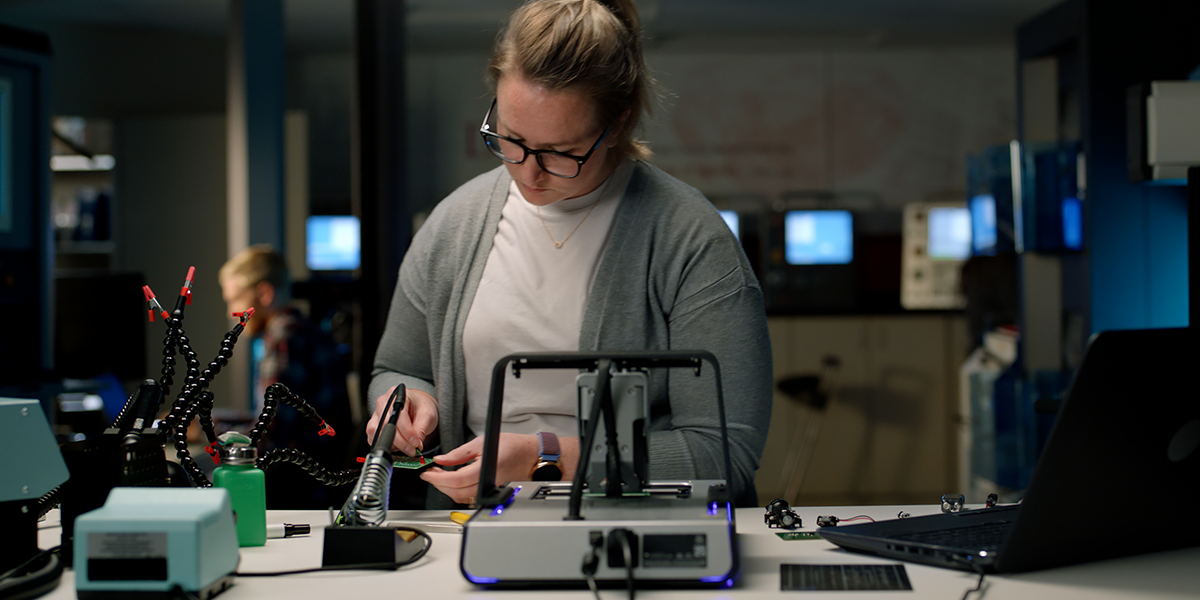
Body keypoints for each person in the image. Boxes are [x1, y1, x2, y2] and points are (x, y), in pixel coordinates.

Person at [366, 0, 772, 509]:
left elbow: (724, 453)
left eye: (560, 152)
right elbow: (398, 368)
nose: (528, 173)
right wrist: (409, 403)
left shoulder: (691, 240)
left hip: (637, 535)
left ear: (618, 124)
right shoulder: (454, 224)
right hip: (473, 528)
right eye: (511, 140)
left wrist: (547, 459)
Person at [219, 245, 354, 509]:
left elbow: (269, 436)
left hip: (298, 490)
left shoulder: (283, 340)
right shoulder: (305, 332)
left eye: (234, 301)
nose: (229, 312)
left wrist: (211, 437)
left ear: (265, 293)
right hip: (315, 481)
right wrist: (213, 422)